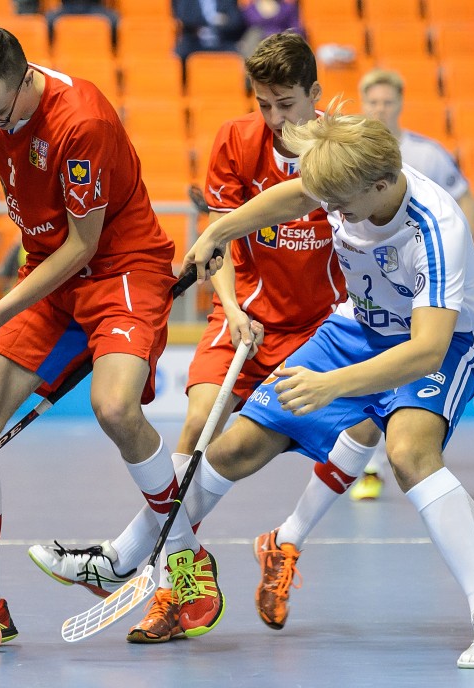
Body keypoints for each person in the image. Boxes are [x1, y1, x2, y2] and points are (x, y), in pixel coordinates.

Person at [28, 30, 377, 643]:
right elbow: (219, 238)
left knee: (361, 434)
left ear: (315, 96)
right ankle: (174, 587)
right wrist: (233, 306)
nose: (275, 119)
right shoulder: (236, 141)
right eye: (264, 105)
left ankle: (153, 556)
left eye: (288, 105)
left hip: (322, 329)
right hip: (244, 313)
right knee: (192, 433)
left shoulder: (344, 152)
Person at [0, 26, 221, 649]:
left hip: (120, 267)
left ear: (26, 81)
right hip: (46, 272)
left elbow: (84, 244)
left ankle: (185, 560)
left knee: (115, 408)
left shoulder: (82, 123)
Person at [177, 103, 474, 668]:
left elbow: (426, 350)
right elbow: (295, 197)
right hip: (357, 325)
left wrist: (330, 386)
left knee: (409, 451)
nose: (328, 212)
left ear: (382, 184)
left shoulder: (436, 228)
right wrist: (219, 228)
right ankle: (128, 553)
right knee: (236, 446)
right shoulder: (344, 181)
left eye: (337, 204)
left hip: (441, 340)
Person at [353, 67, 474, 500]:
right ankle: (369, 468)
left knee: (409, 369)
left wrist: (462, 251)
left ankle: (413, 445)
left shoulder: (427, 154)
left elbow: (464, 198)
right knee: (373, 378)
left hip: (424, 287)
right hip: (375, 288)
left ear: (400, 105)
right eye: (373, 102)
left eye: (387, 102)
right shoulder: (353, 155)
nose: (380, 108)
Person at [173, 0, 246, 61]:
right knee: (179, 55)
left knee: (240, 58)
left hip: (222, 40)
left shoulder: (227, 1)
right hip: (194, 41)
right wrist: (209, 22)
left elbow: (235, 21)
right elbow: (184, 18)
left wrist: (219, 24)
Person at [238, 0, 303, 57]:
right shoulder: (249, 9)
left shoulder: (287, 8)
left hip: (281, 46)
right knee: (254, 34)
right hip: (257, 46)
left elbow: (296, 30)